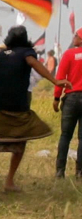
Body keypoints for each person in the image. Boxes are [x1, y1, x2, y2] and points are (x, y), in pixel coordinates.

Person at [0, 26, 71, 201]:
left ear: (7, 40)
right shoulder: (26, 53)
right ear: (25, 39)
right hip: (18, 109)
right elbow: (32, 62)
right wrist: (55, 81)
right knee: (21, 141)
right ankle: (9, 181)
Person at [53, 28, 82, 179]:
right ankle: (79, 172)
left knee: (65, 136)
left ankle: (60, 171)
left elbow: (60, 77)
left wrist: (57, 98)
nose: (74, 37)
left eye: (76, 35)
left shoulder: (69, 54)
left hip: (71, 99)